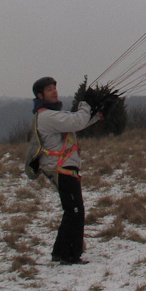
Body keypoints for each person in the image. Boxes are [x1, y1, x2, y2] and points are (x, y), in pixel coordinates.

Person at [31, 76, 102, 265]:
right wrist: (85, 103)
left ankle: (59, 252)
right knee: (75, 211)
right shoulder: (47, 116)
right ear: (40, 96)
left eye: (54, 88)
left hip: (63, 168)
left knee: (71, 210)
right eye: (49, 90)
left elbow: (75, 124)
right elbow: (76, 121)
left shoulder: (51, 115)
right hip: (61, 169)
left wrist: (97, 114)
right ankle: (69, 255)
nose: (54, 92)